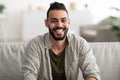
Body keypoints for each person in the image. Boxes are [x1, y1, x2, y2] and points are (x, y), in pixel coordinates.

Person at [22, 1, 100, 80]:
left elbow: (92, 73)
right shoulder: (35, 45)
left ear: (68, 22)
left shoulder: (80, 44)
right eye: (54, 21)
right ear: (46, 23)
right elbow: (28, 74)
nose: (59, 25)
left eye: (63, 20)